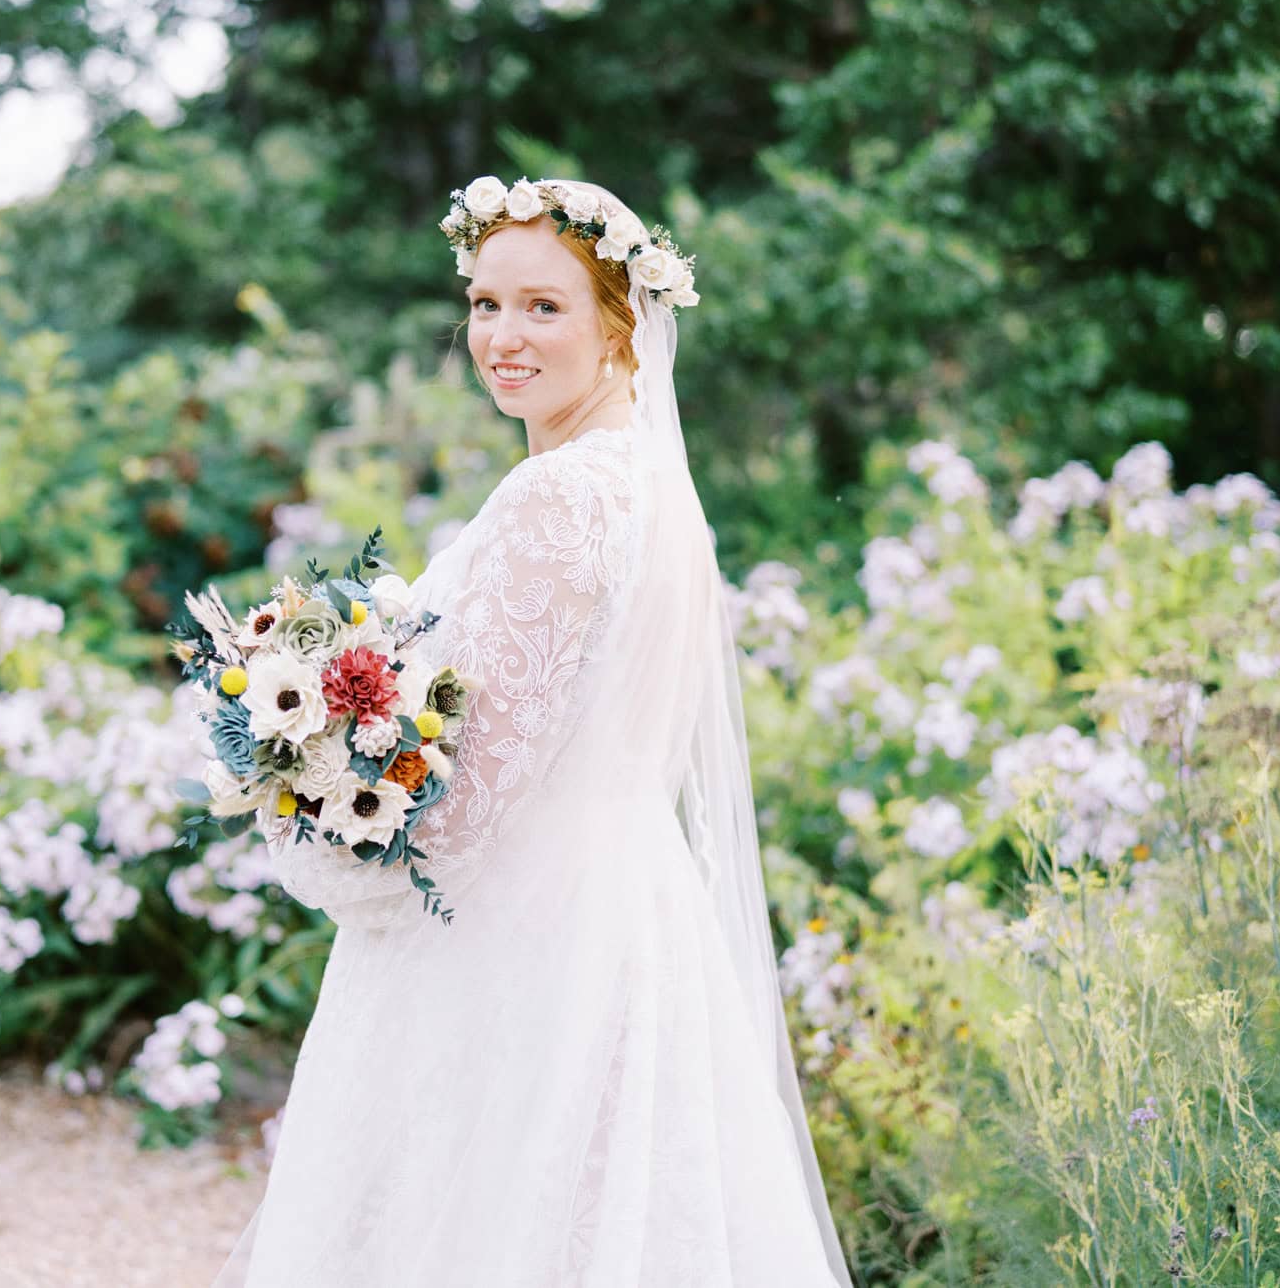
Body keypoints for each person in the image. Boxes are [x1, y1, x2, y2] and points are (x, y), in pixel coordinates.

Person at [209, 176, 853, 1287]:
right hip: (626, 920)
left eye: (541, 307)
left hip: (519, 945)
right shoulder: (656, 492)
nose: (500, 336)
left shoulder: (561, 500)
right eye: (482, 301)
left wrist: (319, 820)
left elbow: (460, 803)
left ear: (619, 322)